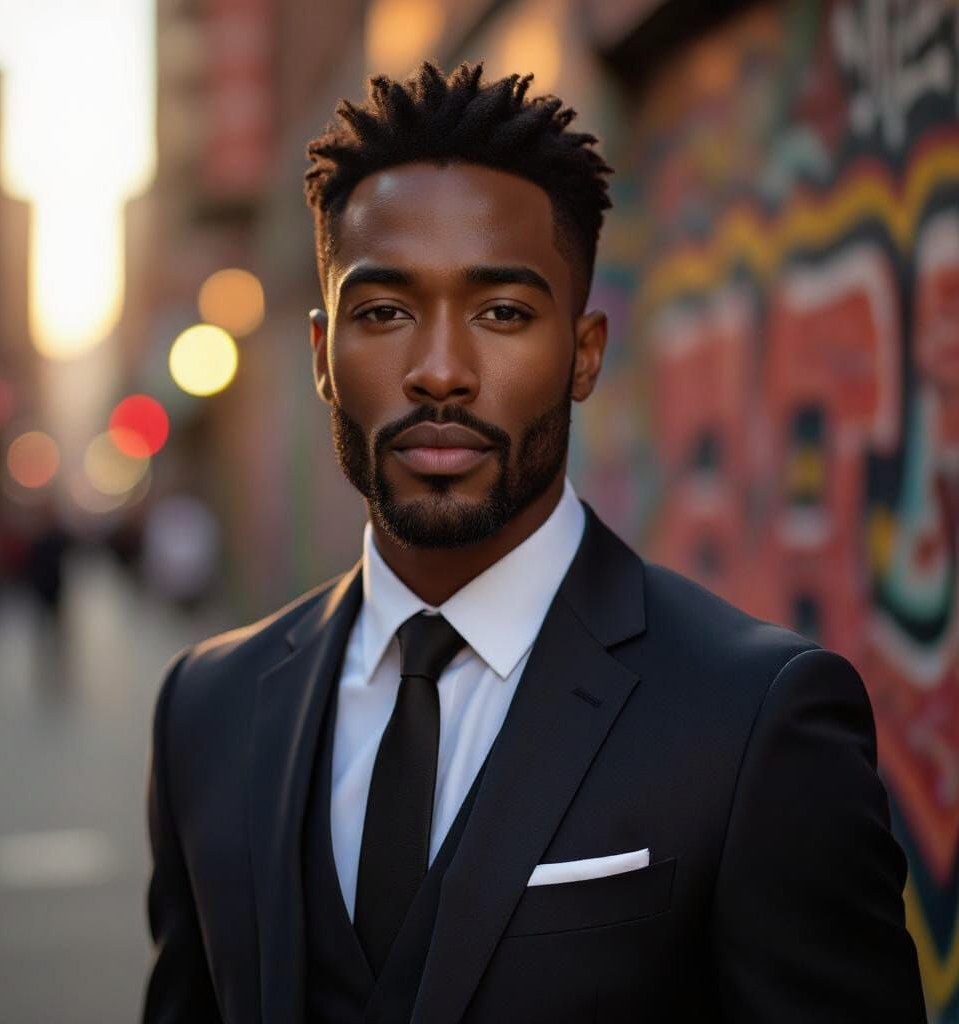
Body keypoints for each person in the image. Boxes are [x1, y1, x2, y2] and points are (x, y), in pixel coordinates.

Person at [142, 61, 926, 1023]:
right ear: (320, 356)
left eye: (502, 312)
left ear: (584, 353)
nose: (439, 372)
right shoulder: (206, 711)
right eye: (384, 312)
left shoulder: (754, 719)